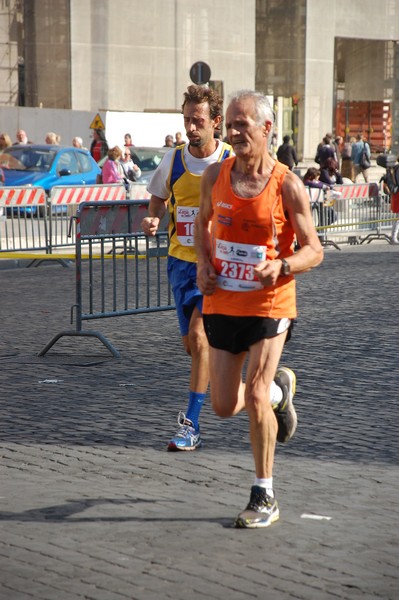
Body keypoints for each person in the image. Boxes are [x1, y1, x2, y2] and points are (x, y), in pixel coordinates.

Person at [195, 89, 323, 528]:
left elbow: (314, 250)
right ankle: (279, 393)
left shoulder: (287, 184)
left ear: (266, 129)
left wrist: (282, 265)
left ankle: (263, 494)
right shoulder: (216, 176)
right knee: (224, 406)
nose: (232, 132)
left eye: (241, 125)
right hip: (224, 298)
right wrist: (203, 264)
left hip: (272, 301)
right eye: (229, 124)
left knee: (252, 396)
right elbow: (202, 224)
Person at [141, 84, 233, 451]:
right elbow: (157, 201)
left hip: (216, 265)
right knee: (193, 349)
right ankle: (268, 393)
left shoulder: (229, 160)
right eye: (186, 121)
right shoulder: (173, 160)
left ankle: (190, 425)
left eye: (198, 121)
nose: (191, 129)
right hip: (180, 263)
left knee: (199, 337)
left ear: (216, 122)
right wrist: (152, 219)